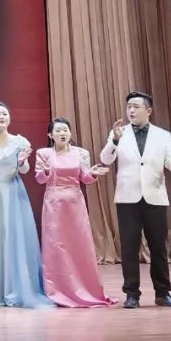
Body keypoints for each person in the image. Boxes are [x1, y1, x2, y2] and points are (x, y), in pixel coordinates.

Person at [99, 91, 171, 308]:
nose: (131, 110)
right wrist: (114, 141)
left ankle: (162, 292)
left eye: (136, 107)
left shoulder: (162, 135)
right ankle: (131, 294)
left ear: (148, 111)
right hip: (127, 198)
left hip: (154, 197)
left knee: (158, 247)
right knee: (129, 248)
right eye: (129, 106)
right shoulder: (119, 133)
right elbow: (105, 159)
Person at [0, 102, 53, 309]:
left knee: (12, 237)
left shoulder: (19, 142)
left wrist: (22, 161)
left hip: (12, 192)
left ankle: (14, 288)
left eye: (4, 114)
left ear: (9, 118)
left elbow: (24, 170)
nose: (1, 117)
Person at [34, 118, 116, 308]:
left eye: (65, 130)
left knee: (79, 245)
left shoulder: (81, 153)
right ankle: (57, 290)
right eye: (58, 130)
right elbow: (40, 179)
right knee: (56, 247)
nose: (62, 133)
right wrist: (45, 172)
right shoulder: (44, 153)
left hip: (75, 202)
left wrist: (92, 173)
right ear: (50, 135)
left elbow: (85, 178)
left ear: (70, 133)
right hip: (54, 203)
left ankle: (84, 288)